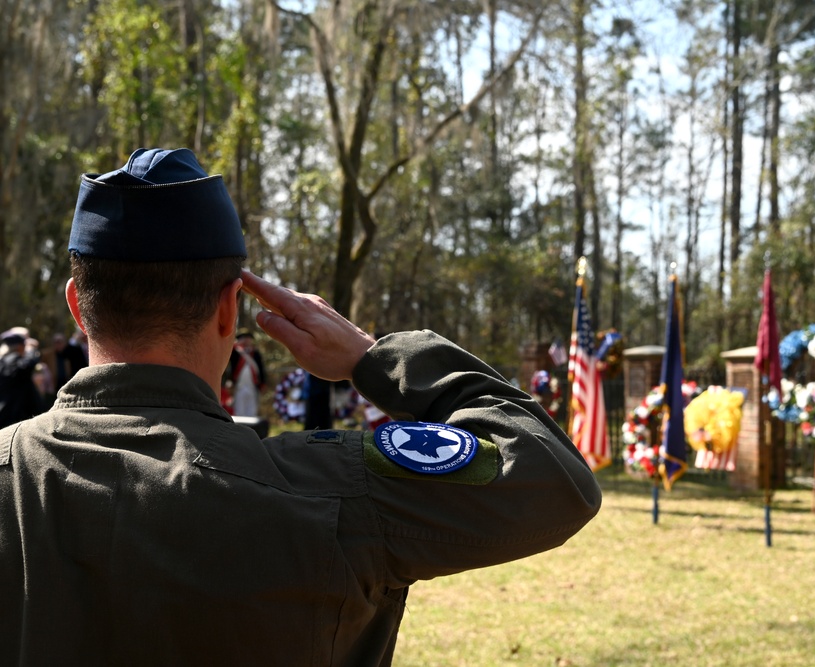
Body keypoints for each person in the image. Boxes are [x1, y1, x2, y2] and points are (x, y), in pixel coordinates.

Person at [0, 147, 601, 665]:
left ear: (78, 308)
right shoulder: (328, 492)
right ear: (230, 312)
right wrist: (372, 357)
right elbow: (554, 478)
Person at [0, 330, 43, 428]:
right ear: (20, 347)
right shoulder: (13, 361)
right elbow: (26, 365)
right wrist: (32, 350)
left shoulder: (3, 362)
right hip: (16, 419)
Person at [225, 329, 266, 417]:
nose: (247, 340)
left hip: (253, 385)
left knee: (252, 409)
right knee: (239, 409)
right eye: (244, 338)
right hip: (238, 385)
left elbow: (261, 368)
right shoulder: (235, 351)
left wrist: (262, 382)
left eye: (249, 338)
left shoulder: (255, 353)